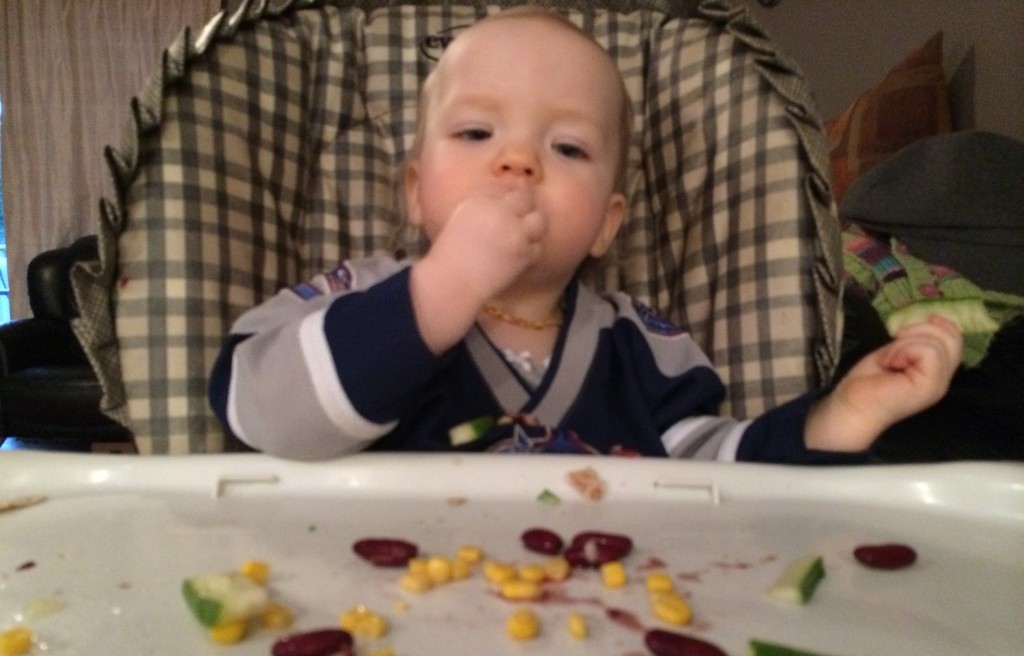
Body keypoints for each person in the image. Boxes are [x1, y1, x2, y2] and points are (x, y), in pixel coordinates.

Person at [208, 7, 962, 462]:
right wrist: (441, 289)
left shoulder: (645, 350)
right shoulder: (356, 300)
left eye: (567, 148)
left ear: (606, 225)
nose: (517, 161)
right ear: (414, 191)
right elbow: (259, 416)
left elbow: (714, 480)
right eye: (475, 131)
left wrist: (835, 421)